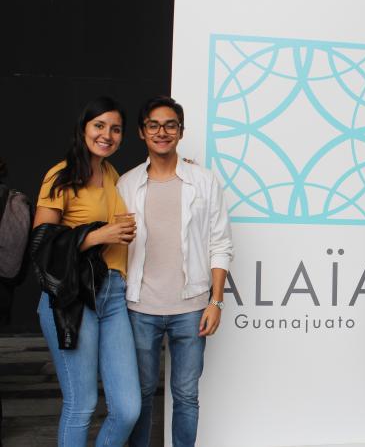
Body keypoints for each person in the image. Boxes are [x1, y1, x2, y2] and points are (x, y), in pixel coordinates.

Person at [117, 96, 233, 447]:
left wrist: (216, 301)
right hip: (140, 309)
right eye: (153, 125)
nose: (162, 132)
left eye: (170, 125)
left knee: (186, 396)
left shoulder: (204, 181)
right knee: (139, 396)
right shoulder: (126, 184)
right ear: (142, 132)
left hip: (191, 309)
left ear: (181, 132)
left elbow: (220, 244)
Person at [31, 96, 141, 447]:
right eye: (99, 125)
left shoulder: (112, 175)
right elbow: (41, 243)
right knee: (81, 405)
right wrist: (98, 236)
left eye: (116, 129)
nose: (107, 135)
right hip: (73, 299)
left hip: (113, 295)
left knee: (127, 409)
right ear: (83, 128)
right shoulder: (61, 175)